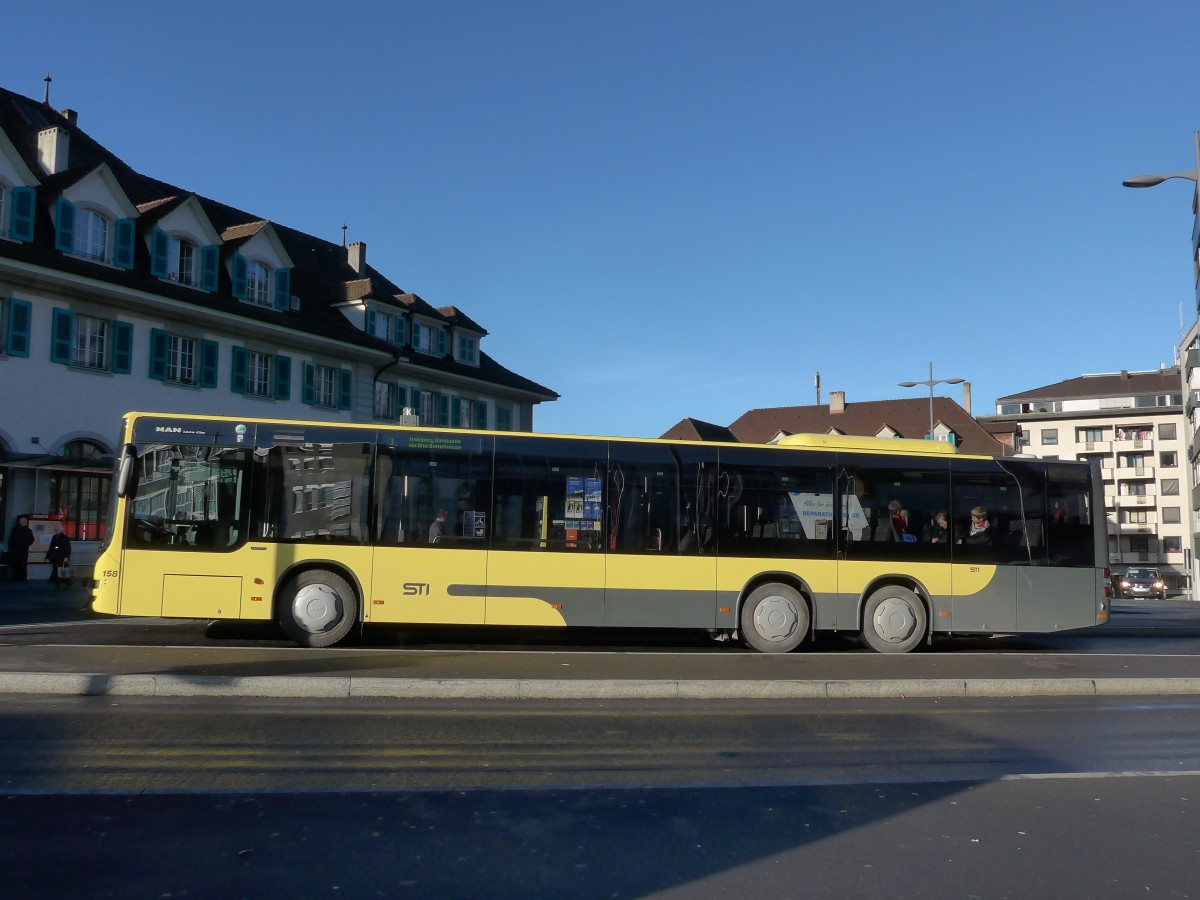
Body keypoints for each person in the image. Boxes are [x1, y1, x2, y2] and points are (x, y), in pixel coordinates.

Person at [6, 516, 35, 582]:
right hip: (15, 550)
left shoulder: (28, 530)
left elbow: (31, 539)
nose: (24, 522)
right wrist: (10, 548)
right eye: (22, 521)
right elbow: (11, 539)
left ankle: (23, 578)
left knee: (23, 564)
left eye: (25, 521)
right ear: (19, 522)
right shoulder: (15, 529)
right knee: (15, 563)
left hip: (24, 550)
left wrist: (26, 544)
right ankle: (15, 577)